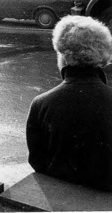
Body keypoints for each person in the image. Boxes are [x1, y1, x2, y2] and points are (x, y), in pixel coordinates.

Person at [26, 15, 112, 192]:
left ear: (64, 57)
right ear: (101, 59)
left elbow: (37, 161)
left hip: (59, 197)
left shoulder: (41, 104)